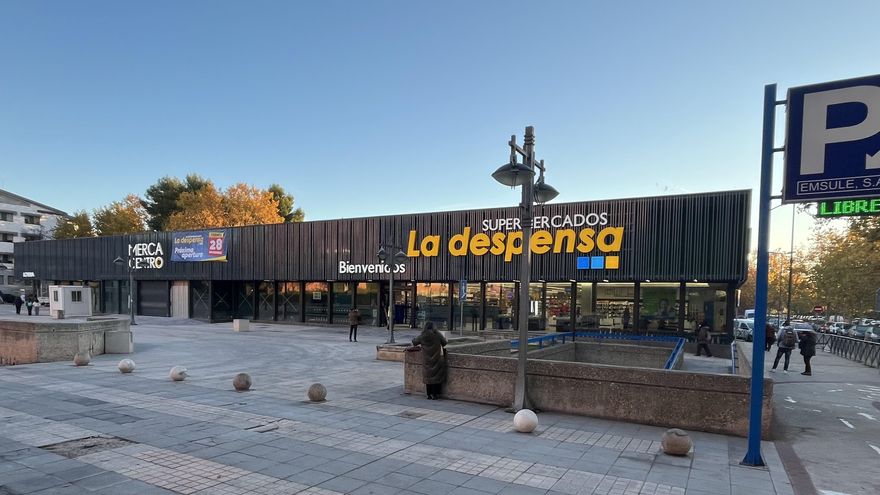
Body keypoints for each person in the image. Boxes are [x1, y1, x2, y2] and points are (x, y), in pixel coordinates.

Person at [411, 322, 448, 400]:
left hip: (426, 360)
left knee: (428, 377)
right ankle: (435, 394)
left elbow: (414, 342)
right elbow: (444, 343)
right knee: (436, 377)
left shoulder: (423, 336)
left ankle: (429, 394)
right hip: (437, 359)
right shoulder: (437, 335)